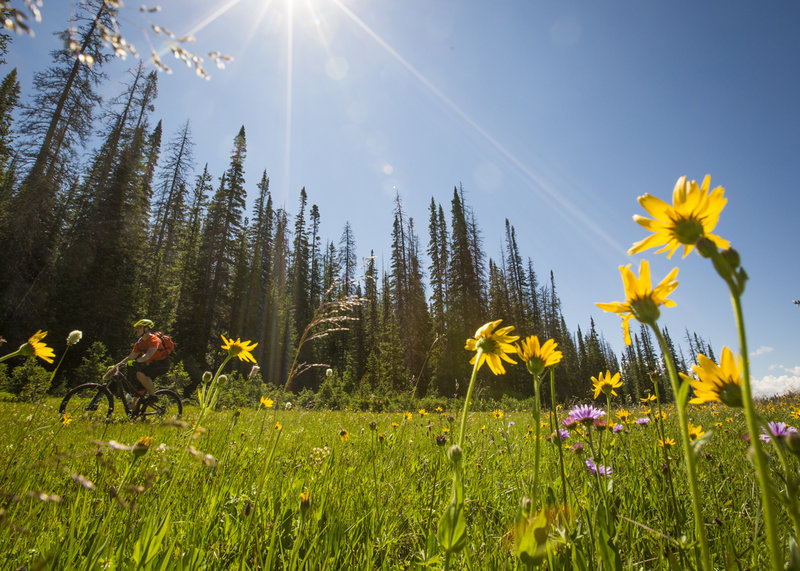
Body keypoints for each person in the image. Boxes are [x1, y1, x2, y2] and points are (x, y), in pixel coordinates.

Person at [113, 319, 170, 405]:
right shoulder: (139, 343)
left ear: (146, 329)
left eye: (139, 328)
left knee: (140, 373)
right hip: (151, 365)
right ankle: (135, 413)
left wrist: (136, 361)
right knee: (139, 391)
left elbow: (148, 355)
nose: (137, 330)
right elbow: (130, 357)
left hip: (162, 364)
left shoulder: (154, 340)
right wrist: (116, 367)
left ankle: (153, 396)